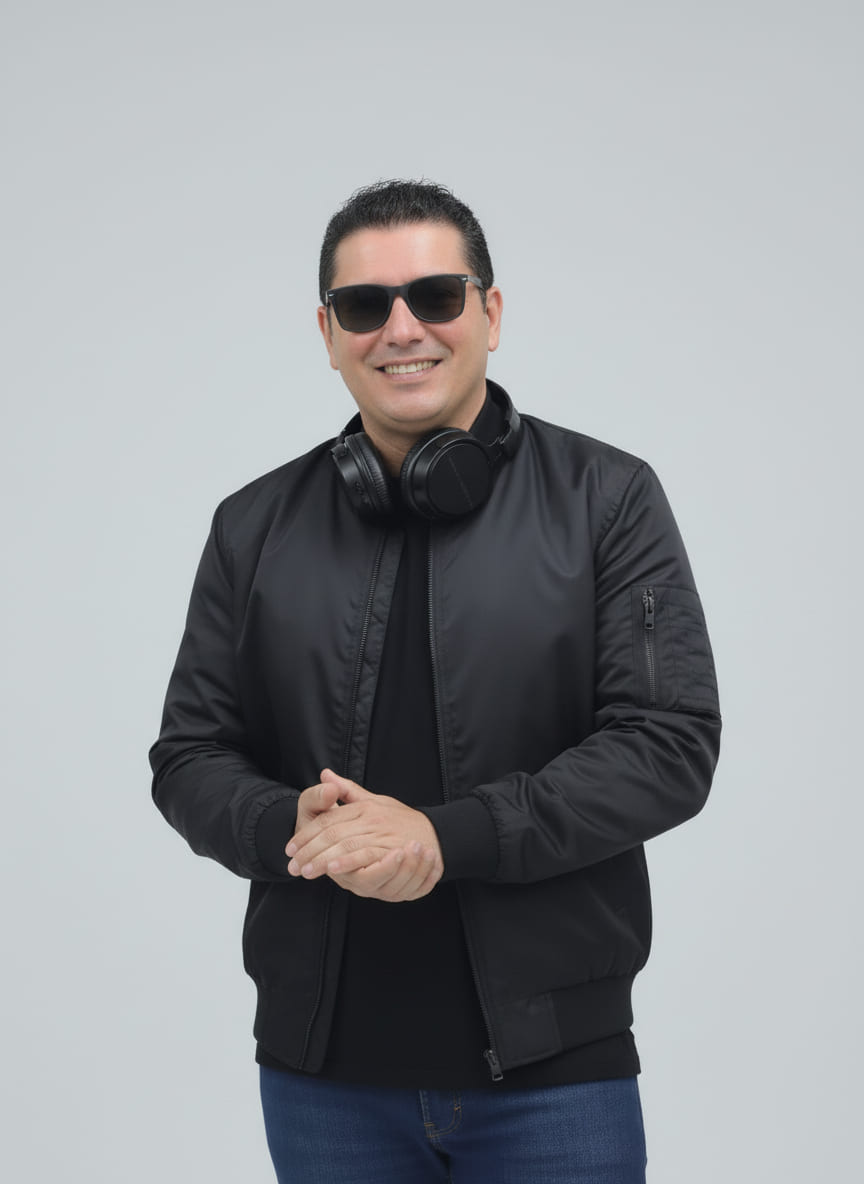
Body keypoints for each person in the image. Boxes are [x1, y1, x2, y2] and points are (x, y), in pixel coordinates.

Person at [150, 179, 721, 1184]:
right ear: (328, 334)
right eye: (365, 305)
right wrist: (290, 824)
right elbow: (190, 755)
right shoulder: (251, 524)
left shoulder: (608, 498)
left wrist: (442, 836)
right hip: (322, 1084)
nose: (402, 328)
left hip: (555, 1078)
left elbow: (667, 746)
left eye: (436, 296)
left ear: (490, 313)